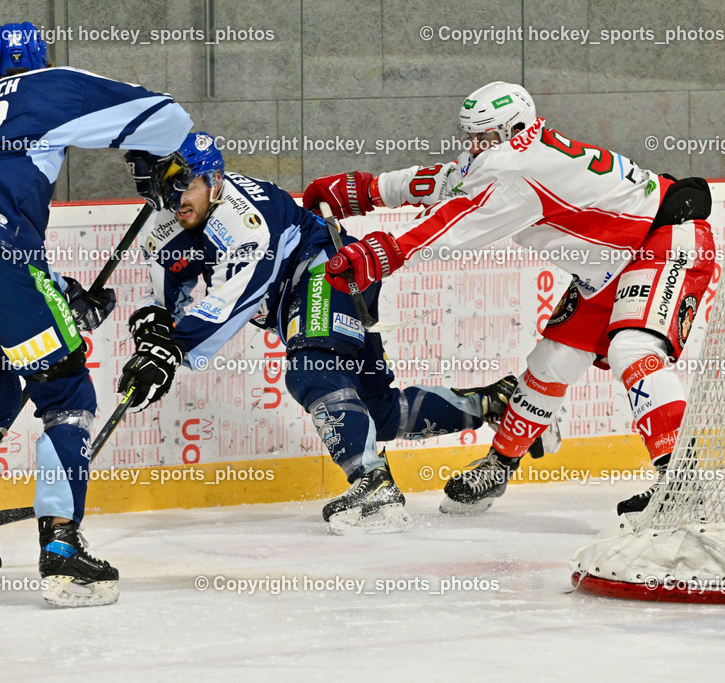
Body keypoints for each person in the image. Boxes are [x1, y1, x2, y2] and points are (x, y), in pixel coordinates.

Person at [305, 81, 715, 515]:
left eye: (486, 137)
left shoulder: (516, 167)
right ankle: (500, 465)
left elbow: (457, 222)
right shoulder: (512, 153)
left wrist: (384, 252)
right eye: (473, 136)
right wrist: (367, 190)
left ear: (512, 128)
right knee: (549, 363)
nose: (477, 146)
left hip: (664, 241)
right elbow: (446, 180)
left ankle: (681, 481)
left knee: (633, 348)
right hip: (610, 264)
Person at [0, 22, 193, 607]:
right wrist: (155, 160)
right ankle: (62, 550)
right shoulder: (48, 85)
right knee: (67, 395)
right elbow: (169, 117)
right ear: (40, 60)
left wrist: (62, 294)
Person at [117, 131, 523, 535]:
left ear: (214, 179)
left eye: (185, 186)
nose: (176, 199)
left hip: (326, 269)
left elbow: (234, 299)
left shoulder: (243, 220)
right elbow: (165, 299)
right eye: (165, 189)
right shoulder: (168, 221)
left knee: (311, 368)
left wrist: (173, 348)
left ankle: (374, 487)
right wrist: (153, 330)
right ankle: (492, 403)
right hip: (306, 290)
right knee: (375, 413)